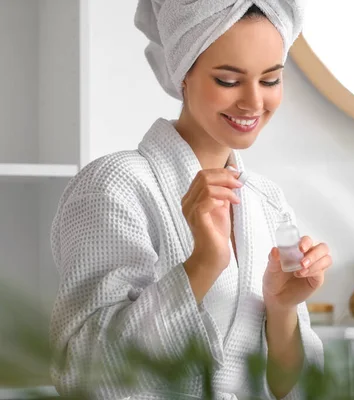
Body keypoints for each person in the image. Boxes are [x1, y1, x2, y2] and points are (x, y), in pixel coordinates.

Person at [48, 1, 331, 399]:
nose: (253, 102)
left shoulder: (267, 201)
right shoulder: (115, 184)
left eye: (270, 80)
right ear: (184, 75)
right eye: (229, 81)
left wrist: (282, 308)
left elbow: (298, 389)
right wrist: (202, 264)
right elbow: (86, 375)